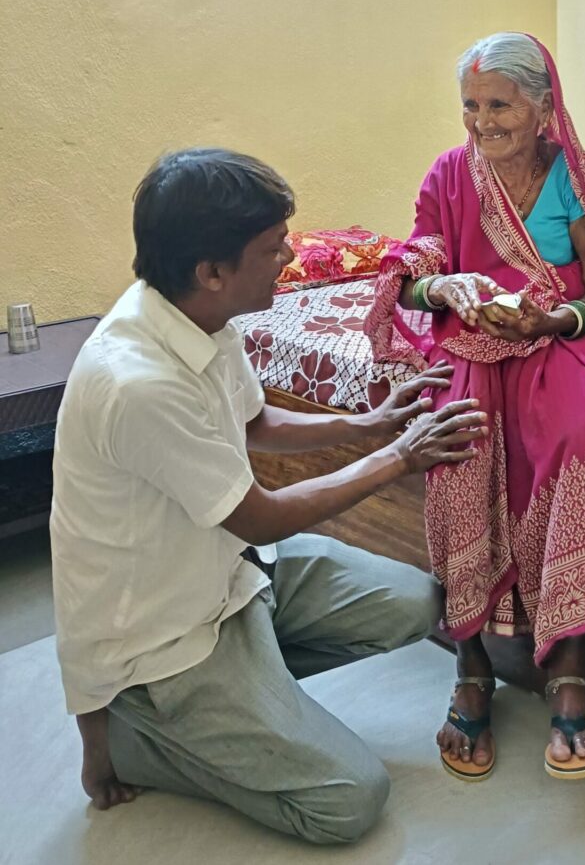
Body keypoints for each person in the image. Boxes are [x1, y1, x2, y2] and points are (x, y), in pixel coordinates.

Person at [51, 148, 488, 844]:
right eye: (271, 246)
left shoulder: (198, 317)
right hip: (171, 637)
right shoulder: (139, 382)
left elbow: (254, 421)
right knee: (351, 799)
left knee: (418, 602)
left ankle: (253, 698)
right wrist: (396, 455)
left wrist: (370, 421)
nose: (291, 253)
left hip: (235, 573)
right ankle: (146, 730)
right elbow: (258, 510)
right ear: (212, 271)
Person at [365, 32, 585, 781]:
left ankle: (571, 664)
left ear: (543, 108)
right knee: (456, 445)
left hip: (557, 338)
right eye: (470, 106)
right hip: (473, 339)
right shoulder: (450, 174)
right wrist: (444, 289)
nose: (482, 122)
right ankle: (470, 659)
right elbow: (420, 262)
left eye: (499, 105)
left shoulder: (573, 176)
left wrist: (554, 321)